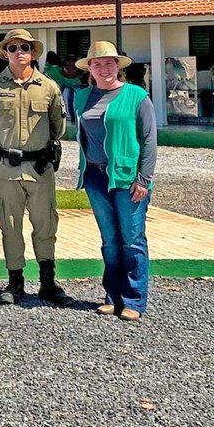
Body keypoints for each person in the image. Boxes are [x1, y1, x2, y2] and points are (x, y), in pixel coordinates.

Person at [0, 28, 69, 307]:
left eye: (25, 48)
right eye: (13, 48)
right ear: (5, 53)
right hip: (6, 168)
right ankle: (15, 281)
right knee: (10, 226)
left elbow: (59, 126)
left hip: (39, 168)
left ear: (32, 53)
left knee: (45, 225)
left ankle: (47, 282)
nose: (19, 53)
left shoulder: (49, 87)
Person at [74, 41, 157, 321]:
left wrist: (143, 179)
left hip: (126, 177)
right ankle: (112, 295)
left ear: (118, 67)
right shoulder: (82, 97)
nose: (104, 68)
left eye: (109, 63)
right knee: (109, 240)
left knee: (132, 239)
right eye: (97, 63)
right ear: (90, 69)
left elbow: (149, 140)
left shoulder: (136, 95)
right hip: (95, 176)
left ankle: (134, 299)